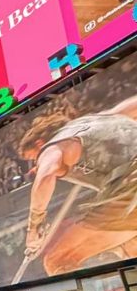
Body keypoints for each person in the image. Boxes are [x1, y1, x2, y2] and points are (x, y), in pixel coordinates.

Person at [19, 95, 137, 277]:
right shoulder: (98, 119)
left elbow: (45, 176)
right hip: (127, 193)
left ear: (39, 143)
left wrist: (34, 227)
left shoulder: (53, 146)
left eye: (33, 158)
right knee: (129, 246)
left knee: (57, 261)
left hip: (130, 186)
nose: (35, 165)